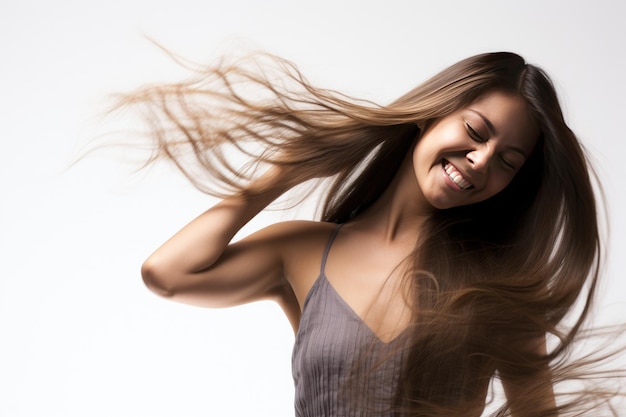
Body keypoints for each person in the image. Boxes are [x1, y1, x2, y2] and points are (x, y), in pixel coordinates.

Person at [124, 51, 620, 416]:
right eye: (475, 131)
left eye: (508, 161)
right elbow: (168, 274)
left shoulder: (499, 286)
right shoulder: (302, 250)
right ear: (433, 112)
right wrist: (280, 175)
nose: (481, 160)